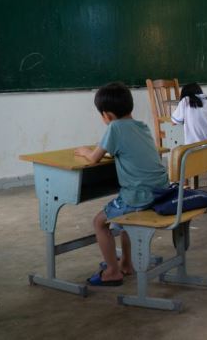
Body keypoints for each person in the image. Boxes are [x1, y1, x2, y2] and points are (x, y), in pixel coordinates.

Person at [75, 82, 169, 286]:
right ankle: (126, 263)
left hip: (139, 195)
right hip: (161, 192)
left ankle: (112, 271)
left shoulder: (115, 127)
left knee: (99, 223)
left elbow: (93, 159)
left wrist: (83, 151)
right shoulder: (141, 126)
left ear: (107, 115)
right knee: (126, 221)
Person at [172, 82, 207, 182]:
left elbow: (175, 121)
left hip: (194, 149)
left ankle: (186, 182)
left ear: (184, 94)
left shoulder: (185, 101)